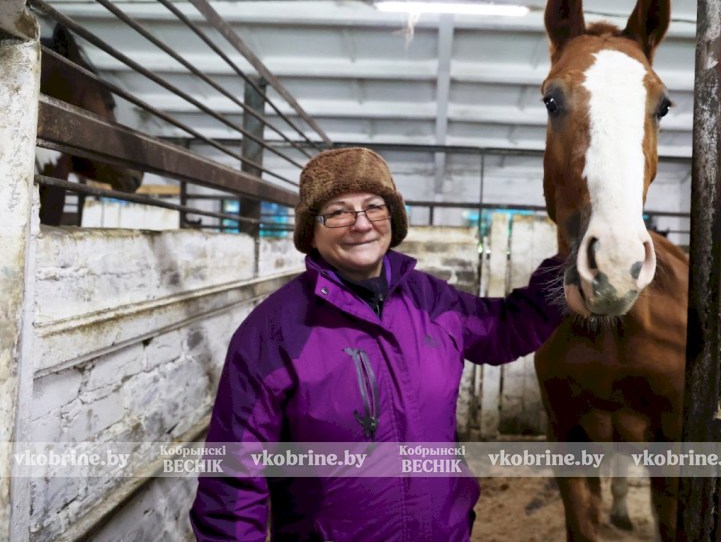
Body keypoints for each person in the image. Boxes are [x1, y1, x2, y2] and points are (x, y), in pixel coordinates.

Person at [190, 147, 565, 541]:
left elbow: (501, 331)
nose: (361, 224)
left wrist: (569, 273)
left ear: (392, 218)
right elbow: (231, 484)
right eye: (337, 212)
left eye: (374, 206)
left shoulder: (432, 300)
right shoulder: (272, 333)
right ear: (310, 232)